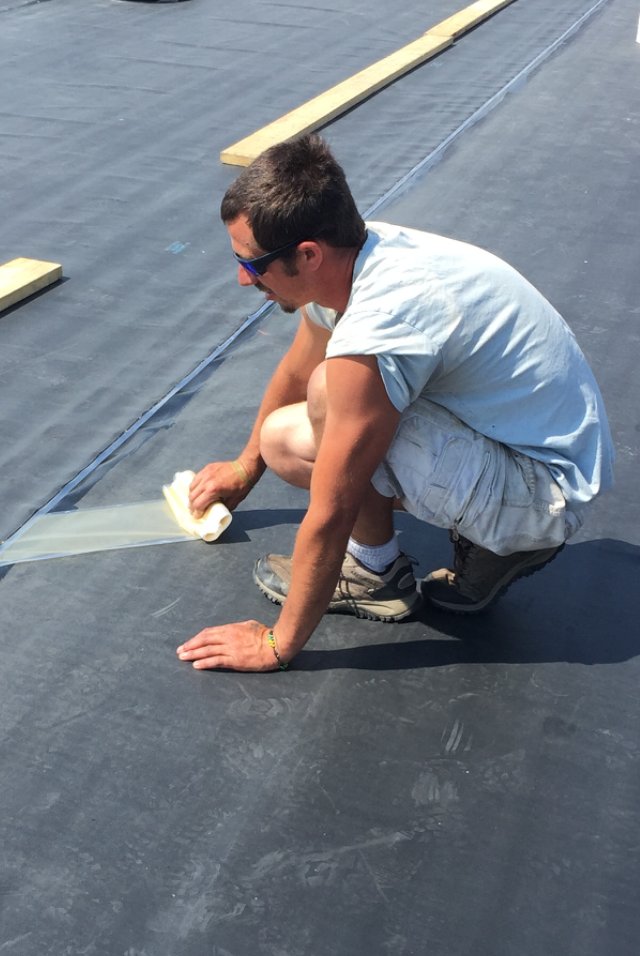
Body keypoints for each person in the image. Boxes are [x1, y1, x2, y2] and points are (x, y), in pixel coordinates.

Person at [177, 136, 614, 673]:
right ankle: (485, 543)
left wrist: (276, 645)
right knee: (280, 439)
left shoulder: (385, 319)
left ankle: (377, 573)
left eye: (254, 264)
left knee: (331, 396)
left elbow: (334, 506)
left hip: (543, 491)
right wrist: (246, 469)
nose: (244, 277)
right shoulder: (355, 260)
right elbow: (294, 368)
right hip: (517, 447)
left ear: (308, 254)